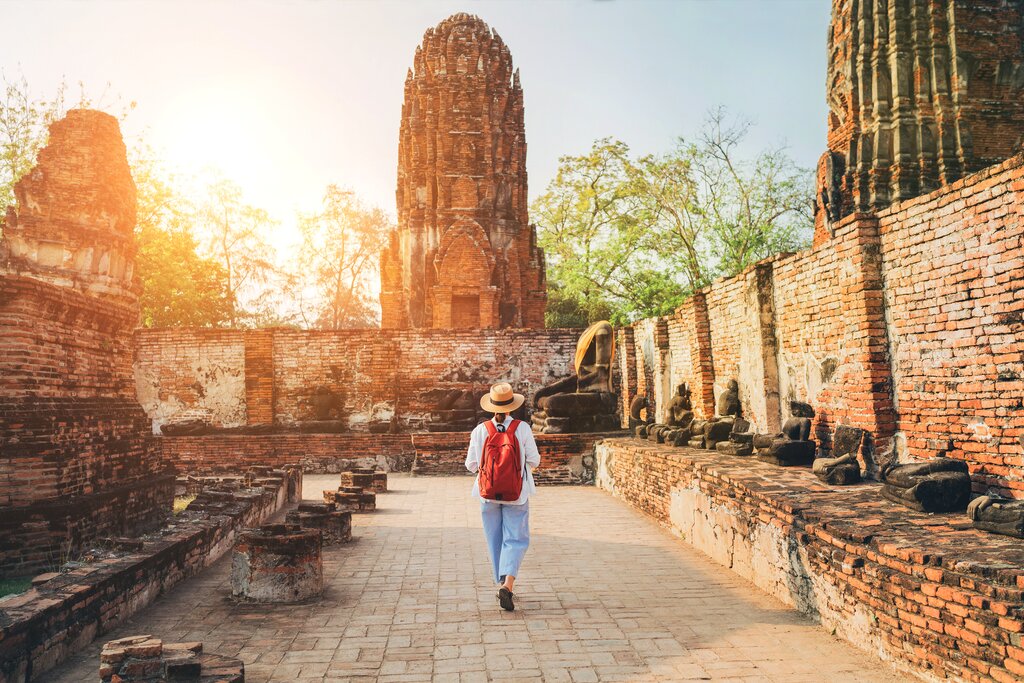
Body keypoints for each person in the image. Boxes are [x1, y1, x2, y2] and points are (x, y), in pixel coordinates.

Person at [465, 382, 541, 612]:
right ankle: (507, 585)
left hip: (487, 493)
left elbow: (471, 465)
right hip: (517, 493)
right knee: (516, 538)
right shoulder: (522, 428)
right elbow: (534, 460)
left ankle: (500, 581)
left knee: (494, 538)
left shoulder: (480, 430)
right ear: (511, 407)